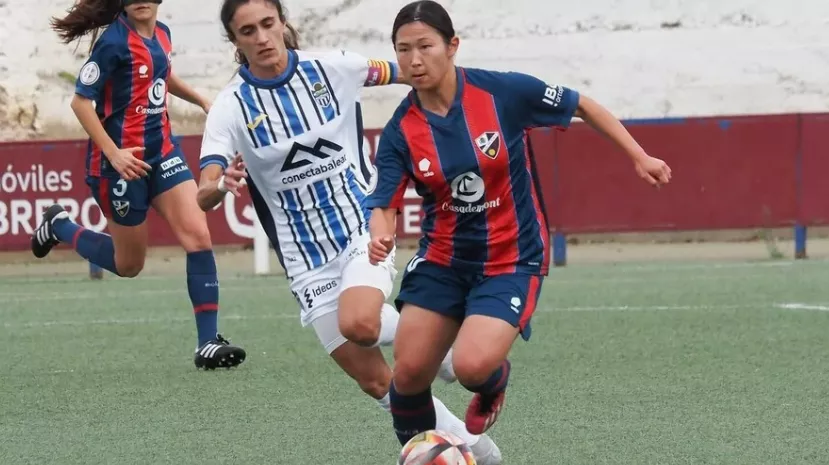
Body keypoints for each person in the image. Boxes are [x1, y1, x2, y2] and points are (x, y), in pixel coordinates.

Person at [196, 0, 501, 462]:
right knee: (376, 382)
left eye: (267, 24)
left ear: (282, 23)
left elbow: (411, 69)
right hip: (305, 263)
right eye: (246, 31)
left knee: (359, 322)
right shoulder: (229, 107)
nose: (260, 37)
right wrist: (220, 184)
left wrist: (462, 108)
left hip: (362, 229)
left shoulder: (336, 67)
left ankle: (439, 355)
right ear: (235, 41)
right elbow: (204, 191)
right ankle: (473, 448)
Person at [367, 0, 673, 447]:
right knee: (409, 374)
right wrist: (382, 232)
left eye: (425, 46)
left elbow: (582, 105)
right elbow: (384, 202)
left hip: (511, 256)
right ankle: (423, 457)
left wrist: (639, 155)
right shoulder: (400, 131)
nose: (414, 60)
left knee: (472, 367)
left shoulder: (502, 93)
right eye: (403, 50)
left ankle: (493, 382)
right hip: (442, 259)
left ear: (452, 46)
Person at [34, 0, 246, 370]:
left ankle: (207, 342)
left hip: (162, 153)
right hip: (119, 166)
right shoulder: (114, 43)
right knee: (129, 265)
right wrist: (114, 154)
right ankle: (60, 226)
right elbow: (81, 102)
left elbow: (160, 76)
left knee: (198, 235)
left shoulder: (162, 33)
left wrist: (199, 99)